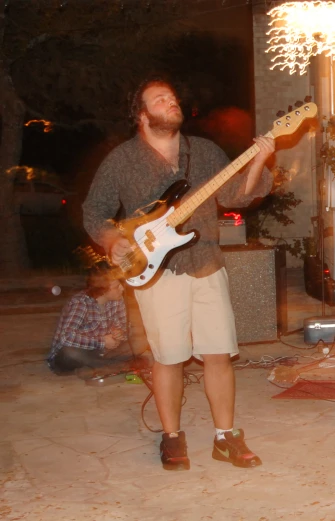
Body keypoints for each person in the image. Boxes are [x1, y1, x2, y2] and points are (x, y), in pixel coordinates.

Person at [83, 76, 276, 471]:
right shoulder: (122, 159)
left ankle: (226, 438)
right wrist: (112, 241)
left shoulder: (202, 152)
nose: (171, 102)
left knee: (219, 353)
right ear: (142, 116)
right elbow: (93, 210)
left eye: (172, 97)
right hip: (157, 271)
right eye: (160, 99)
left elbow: (236, 195)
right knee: (168, 359)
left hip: (205, 262)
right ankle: (172, 438)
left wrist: (259, 160)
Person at [47, 268, 133, 375]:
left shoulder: (117, 300)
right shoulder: (80, 303)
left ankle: (95, 366)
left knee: (139, 342)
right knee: (71, 353)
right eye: (117, 286)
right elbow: (66, 337)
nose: (122, 289)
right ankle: (108, 366)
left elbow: (124, 326)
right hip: (76, 351)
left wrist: (120, 333)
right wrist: (102, 341)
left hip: (101, 352)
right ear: (103, 289)